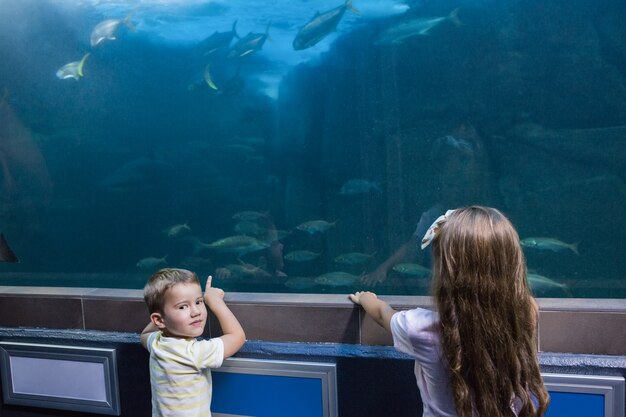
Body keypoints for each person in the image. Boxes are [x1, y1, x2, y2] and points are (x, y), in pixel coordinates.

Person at [350, 206, 549, 417]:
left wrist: (366, 298)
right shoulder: (527, 312)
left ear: (446, 270)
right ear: (512, 262)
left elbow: (382, 314)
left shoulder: (421, 328)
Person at [141, 268, 246, 417]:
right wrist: (215, 302)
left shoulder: (157, 343)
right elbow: (237, 336)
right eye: (183, 306)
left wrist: (165, 318)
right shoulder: (193, 353)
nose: (196, 311)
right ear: (158, 320)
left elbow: (144, 334)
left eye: (199, 301)